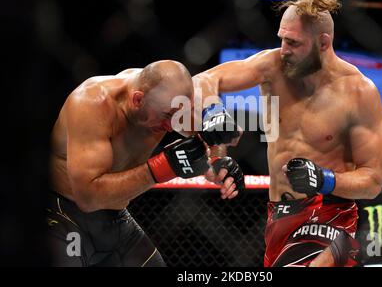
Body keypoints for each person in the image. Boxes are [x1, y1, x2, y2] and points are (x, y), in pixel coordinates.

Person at [193, 0, 382, 267]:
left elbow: (372, 182)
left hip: (329, 215)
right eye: (282, 39)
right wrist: (213, 116)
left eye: (293, 42)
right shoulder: (272, 66)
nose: (283, 49)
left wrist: (325, 179)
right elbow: (203, 81)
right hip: (278, 218)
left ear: (323, 42)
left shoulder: (359, 93)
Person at [48, 60, 243, 266]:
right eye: (167, 116)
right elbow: (87, 198)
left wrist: (216, 160)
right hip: (65, 215)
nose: (171, 127)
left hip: (116, 220)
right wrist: (163, 167)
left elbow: (212, 133)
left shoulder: (170, 101)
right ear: (137, 100)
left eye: (178, 117)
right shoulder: (91, 104)